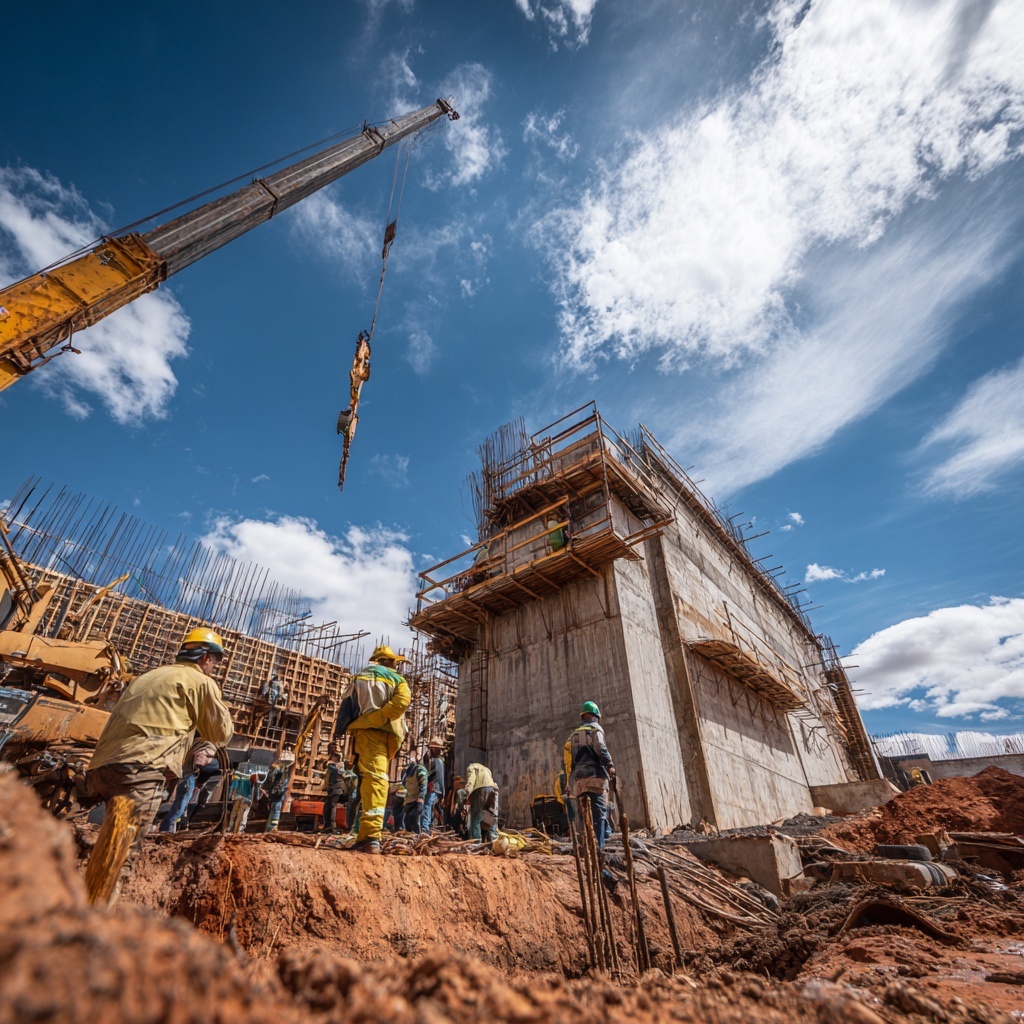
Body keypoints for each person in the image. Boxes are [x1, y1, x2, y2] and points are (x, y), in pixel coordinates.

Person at [85, 626, 233, 843]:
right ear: (206, 658)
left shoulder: (148, 676)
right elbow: (221, 732)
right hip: (141, 771)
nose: (214, 667)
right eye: (215, 662)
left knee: (91, 841)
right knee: (121, 849)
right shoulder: (201, 681)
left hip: (100, 767)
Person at [342, 644, 411, 854]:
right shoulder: (398, 680)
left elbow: (346, 707)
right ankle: (371, 836)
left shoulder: (358, 677)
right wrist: (379, 718)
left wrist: (356, 724)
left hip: (363, 733)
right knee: (377, 779)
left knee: (369, 781)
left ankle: (366, 834)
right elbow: (402, 702)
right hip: (381, 733)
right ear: (390, 662)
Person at [564, 700, 615, 849]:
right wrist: (610, 765)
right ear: (595, 717)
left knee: (584, 816)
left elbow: (570, 761)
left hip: (579, 781)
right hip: (595, 778)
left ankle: (586, 848)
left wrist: (570, 781)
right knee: (599, 815)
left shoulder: (573, 736)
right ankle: (599, 850)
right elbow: (601, 750)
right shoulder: (595, 731)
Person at [159, 739, 218, 833]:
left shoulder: (197, 742)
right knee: (181, 804)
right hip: (187, 775)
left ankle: (171, 826)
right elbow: (201, 762)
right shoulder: (209, 747)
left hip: (183, 773)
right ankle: (167, 829)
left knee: (180, 803)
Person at [322, 745, 357, 833]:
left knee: (332, 805)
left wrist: (331, 764)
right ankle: (328, 826)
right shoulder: (334, 766)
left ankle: (332, 827)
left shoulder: (337, 766)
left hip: (338, 788)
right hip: (335, 788)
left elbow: (337, 771)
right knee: (328, 806)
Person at [465, 762, 499, 842]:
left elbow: (471, 781)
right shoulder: (487, 769)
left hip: (479, 790)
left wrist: (467, 794)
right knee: (490, 815)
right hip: (492, 789)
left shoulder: (471, 767)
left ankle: (476, 842)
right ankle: (494, 840)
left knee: (476, 817)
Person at [263, 750, 295, 832]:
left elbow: (272, 780)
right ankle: (272, 827)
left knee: (274, 810)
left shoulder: (279, 770)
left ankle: (270, 828)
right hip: (279, 793)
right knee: (276, 811)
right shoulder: (285, 772)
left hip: (276, 793)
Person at [422, 737, 446, 835]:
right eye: (438, 749)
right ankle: (425, 829)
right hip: (432, 789)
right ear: (433, 749)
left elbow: (440, 778)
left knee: (429, 809)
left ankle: (427, 829)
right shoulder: (431, 760)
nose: (440, 751)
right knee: (428, 809)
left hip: (435, 790)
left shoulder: (437, 761)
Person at [402, 750, 428, 834]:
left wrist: (420, 799)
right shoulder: (407, 771)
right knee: (408, 824)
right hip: (408, 802)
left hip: (415, 802)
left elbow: (423, 785)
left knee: (415, 824)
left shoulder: (420, 769)